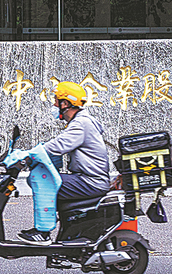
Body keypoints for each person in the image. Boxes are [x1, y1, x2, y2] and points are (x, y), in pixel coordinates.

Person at [16, 81, 112, 245]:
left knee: (42, 179)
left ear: (65, 103)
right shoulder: (80, 122)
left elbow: (57, 146)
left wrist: (27, 155)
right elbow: (56, 151)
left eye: (56, 101)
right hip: (88, 179)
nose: (54, 105)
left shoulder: (81, 124)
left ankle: (43, 233)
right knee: (46, 175)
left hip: (91, 181)